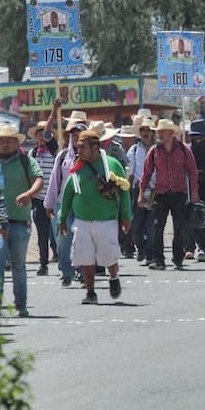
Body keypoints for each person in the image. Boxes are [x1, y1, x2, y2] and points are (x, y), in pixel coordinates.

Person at [59, 130, 131, 305]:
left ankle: (113, 276)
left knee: (108, 255)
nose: (79, 151)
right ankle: (91, 292)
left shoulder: (112, 165)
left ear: (95, 147)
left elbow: (125, 192)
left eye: (83, 147)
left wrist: (126, 216)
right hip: (82, 221)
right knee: (84, 257)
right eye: (78, 147)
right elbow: (67, 194)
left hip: (107, 220)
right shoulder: (76, 168)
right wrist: (62, 219)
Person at [0, 126, 44, 317]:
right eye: (1, 140)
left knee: (18, 264)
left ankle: (21, 305)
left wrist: (28, 194)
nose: (4, 143)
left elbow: (38, 180)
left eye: (9, 140)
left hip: (19, 223)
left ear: (17, 143)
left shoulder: (27, 161)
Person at [139, 119, 199, 270]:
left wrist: (194, 192)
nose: (159, 134)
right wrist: (141, 194)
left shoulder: (184, 150)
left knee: (180, 227)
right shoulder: (154, 151)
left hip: (179, 193)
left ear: (171, 133)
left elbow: (192, 171)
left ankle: (178, 258)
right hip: (160, 193)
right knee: (157, 226)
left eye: (162, 131)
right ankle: (159, 260)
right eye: (158, 132)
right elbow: (146, 174)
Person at [45, 117, 88, 287]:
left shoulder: (93, 157)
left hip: (85, 204)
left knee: (83, 239)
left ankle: (84, 272)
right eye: (74, 136)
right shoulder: (63, 156)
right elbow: (55, 181)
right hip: (64, 203)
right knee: (63, 239)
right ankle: (66, 270)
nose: (77, 140)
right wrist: (48, 204)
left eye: (81, 136)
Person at [28, 118, 60, 276]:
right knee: (42, 236)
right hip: (39, 200)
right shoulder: (32, 153)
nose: (42, 137)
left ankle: (62, 261)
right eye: (39, 134)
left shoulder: (54, 150)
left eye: (44, 134)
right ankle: (43, 264)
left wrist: (54, 112)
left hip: (54, 200)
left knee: (58, 233)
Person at [185, 119, 205, 261]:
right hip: (189, 188)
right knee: (189, 219)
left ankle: (203, 248)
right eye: (194, 137)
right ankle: (190, 248)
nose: (197, 140)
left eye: (200, 137)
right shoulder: (186, 150)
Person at [126, 117, 156, 264]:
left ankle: (149, 253)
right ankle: (141, 249)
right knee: (136, 224)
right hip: (138, 190)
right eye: (143, 130)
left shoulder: (158, 148)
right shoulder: (134, 149)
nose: (145, 133)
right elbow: (130, 172)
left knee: (151, 224)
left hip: (155, 191)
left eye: (148, 130)